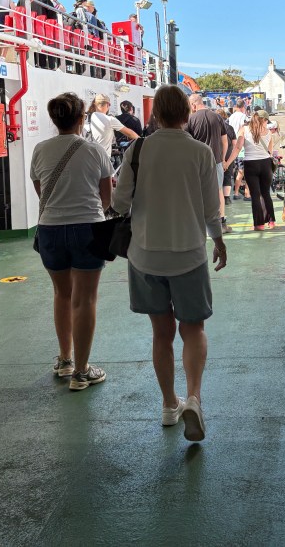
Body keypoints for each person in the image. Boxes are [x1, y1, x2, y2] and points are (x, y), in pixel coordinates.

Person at [113, 85, 227, 442]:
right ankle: (193, 398)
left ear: (156, 114)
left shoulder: (137, 150)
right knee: (193, 329)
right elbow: (211, 209)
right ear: (186, 114)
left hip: (145, 256)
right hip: (189, 255)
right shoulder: (200, 152)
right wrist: (218, 240)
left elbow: (119, 203)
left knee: (161, 333)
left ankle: (168, 405)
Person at [29, 93, 113, 390]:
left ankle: (65, 360)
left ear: (54, 120)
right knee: (85, 299)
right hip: (89, 228)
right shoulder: (94, 151)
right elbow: (107, 198)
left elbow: (41, 191)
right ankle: (81, 371)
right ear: (81, 119)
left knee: (62, 294)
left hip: (50, 229)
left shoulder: (40, 149)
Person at [186, 94, 232, 234]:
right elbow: (225, 141)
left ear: (193, 104)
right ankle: (222, 222)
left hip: (198, 162)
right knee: (218, 191)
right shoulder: (217, 117)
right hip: (216, 161)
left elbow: (187, 143)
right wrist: (223, 159)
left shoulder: (191, 119)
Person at [226, 109, 275, 230]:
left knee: (255, 195)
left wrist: (228, 162)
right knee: (266, 193)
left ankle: (259, 224)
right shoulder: (268, 132)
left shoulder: (244, 130)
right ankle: (271, 221)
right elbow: (270, 151)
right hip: (266, 164)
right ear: (264, 120)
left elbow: (237, 148)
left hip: (250, 164)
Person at [217, 109, 237, 205]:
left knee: (216, 176)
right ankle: (227, 198)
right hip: (229, 156)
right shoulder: (230, 128)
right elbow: (234, 143)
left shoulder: (214, 127)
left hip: (217, 155)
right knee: (227, 176)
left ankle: (218, 197)